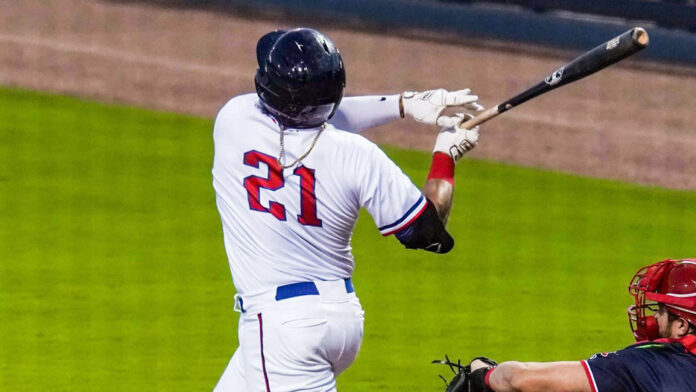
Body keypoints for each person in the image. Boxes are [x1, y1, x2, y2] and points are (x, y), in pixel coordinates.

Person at [211, 27, 484, 392]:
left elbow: (313, 114)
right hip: (340, 321)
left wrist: (404, 104)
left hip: (282, 332)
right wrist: (444, 155)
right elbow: (428, 234)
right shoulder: (358, 155)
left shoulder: (234, 120)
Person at [449, 259, 696, 392]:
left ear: (681, 326)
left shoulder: (648, 364)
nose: (653, 318)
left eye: (661, 312)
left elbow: (521, 380)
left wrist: (483, 374)